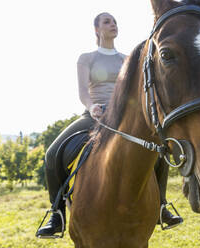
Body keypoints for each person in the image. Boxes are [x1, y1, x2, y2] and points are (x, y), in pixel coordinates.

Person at [36, 12, 182, 238]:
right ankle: (57, 214)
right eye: (107, 21)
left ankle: (162, 206)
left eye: (114, 21)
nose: (112, 24)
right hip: (94, 115)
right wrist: (92, 106)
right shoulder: (87, 58)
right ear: (97, 30)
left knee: (158, 149)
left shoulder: (127, 59)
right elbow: (83, 91)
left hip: (123, 117)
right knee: (53, 153)